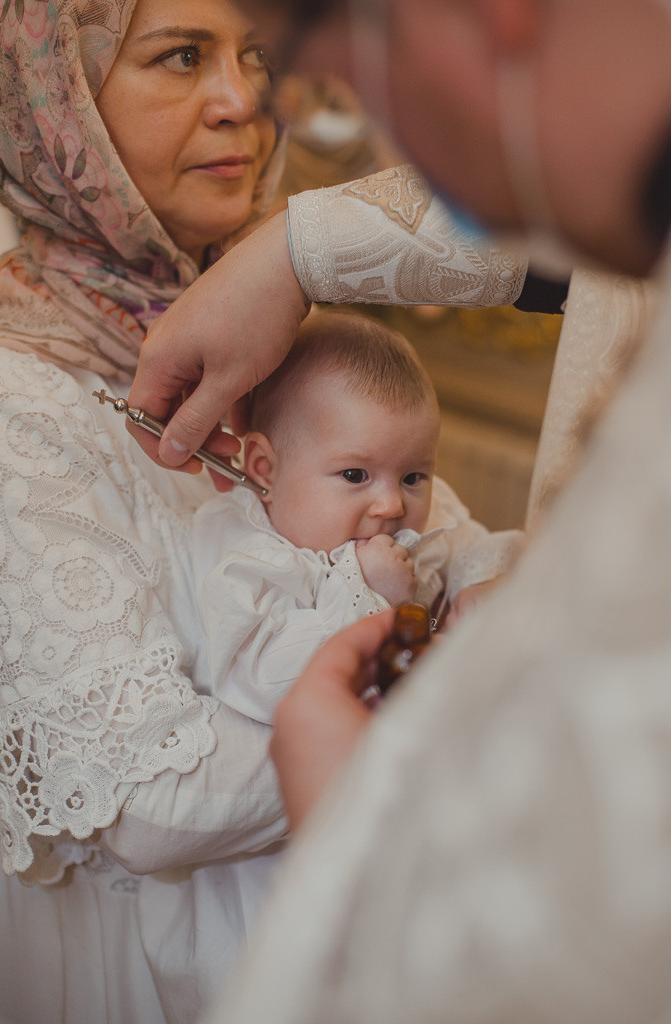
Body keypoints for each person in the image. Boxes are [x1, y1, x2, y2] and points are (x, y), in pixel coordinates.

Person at [120, 1, 671, 1023]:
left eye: (355, 87)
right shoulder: (242, 544)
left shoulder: (406, 520)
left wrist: (495, 596)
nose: (391, 150)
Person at [0, 1, 286, 1022]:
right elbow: (152, 802)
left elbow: (444, 553)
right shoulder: (13, 403)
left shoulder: (276, 339)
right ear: (54, 101)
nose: (240, 100)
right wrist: (435, 698)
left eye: (255, 55)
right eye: (181, 56)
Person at [193, 310, 523, 725]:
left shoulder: (416, 516)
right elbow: (264, 684)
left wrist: (476, 584)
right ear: (265, 469)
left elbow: (469, 543)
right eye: (355, 475)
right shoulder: (249, 563)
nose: (392, 505)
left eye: (412, 477)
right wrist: (364, 592)